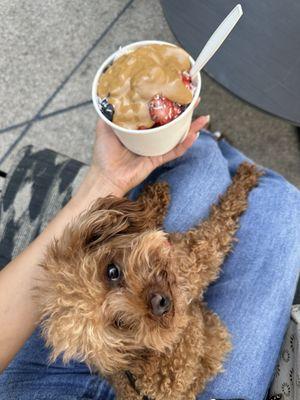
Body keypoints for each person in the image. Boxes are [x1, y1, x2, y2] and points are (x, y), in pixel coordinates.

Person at [0, 109, 299, 400]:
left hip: (44, 376)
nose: (153, 300)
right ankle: (216, 145)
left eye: (113, 273)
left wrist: (105, 182)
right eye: (121, 320)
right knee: (284, 204)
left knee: (202, 175)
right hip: (156, 369)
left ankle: (198, 136)